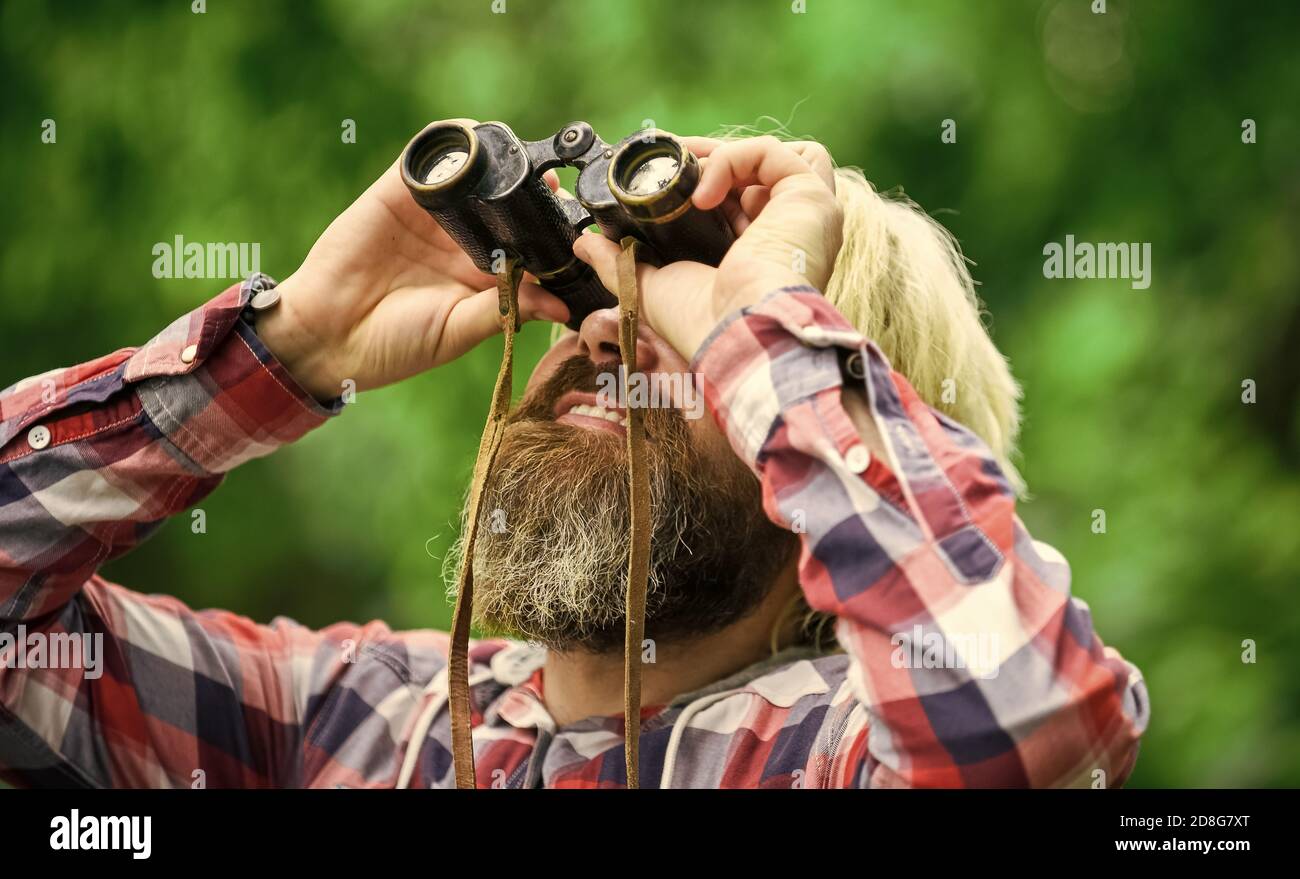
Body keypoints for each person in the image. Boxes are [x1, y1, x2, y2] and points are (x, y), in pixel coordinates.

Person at [0, 129, 1148, 788]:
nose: (608, 332)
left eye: (694, 317)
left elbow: (1025, 716)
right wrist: (293, 345)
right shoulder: (353, 725)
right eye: (602, 293)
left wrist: (769, 322)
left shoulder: (838, 754)